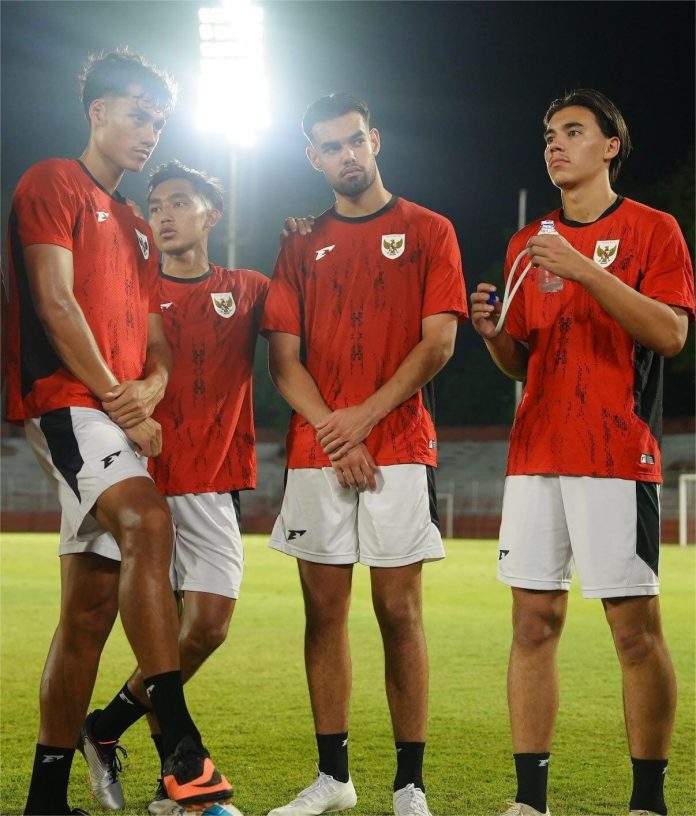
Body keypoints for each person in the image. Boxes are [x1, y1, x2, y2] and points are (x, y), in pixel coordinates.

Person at [4, 51, 233, 815]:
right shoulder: (51, 182)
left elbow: (157, 339)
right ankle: (179, 741)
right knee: (149, 519)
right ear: (98, 112)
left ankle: (45, 801)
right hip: (66, 400)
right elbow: (54, 302)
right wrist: (116, 395)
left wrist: (150, 391)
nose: (150, 131)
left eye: (159, 120)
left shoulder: (137, 224)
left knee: (88, 615)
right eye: (139, 114)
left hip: (113, 413)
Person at [470, 89, 694, 816]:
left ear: (610, 147)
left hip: (616, 454)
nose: (555, 144)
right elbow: (521, 360)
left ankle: (647, 801)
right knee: (532, 625)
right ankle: (529, 800)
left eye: (572, 131)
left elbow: (670, 334)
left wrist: (585, 270)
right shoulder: (525, 243)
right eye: (548, 134)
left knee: (634, 634)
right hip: (536, 455)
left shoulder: (653, 230)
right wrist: (494, 337)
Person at [261, 93, 467, 816]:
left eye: (354, 140)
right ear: (313, 158)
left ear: (375, 140)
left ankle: (409, 785)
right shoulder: (298, 243)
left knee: (397, 610)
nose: (346, 155)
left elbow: (439, 342)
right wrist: (334, 431)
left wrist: (363, 420)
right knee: (323, 611)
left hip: (400, 445)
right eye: (330, 146)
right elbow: (283, 362)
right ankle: (334, 779)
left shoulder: (429, 229)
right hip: (319, 450)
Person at [77, 160, 269, 816]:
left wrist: (308, 237)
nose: (163, 214)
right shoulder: (132, 289)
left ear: (212, 215)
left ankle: (105, 726)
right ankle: (179, 786)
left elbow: (311, 318)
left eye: (180, 202)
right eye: (155, 204)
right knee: (160, 638)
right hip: (142, 481)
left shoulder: (248, 288)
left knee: (207, 628)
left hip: (212, 483)